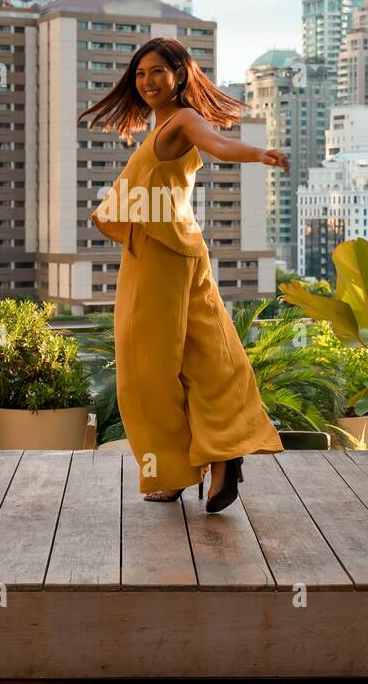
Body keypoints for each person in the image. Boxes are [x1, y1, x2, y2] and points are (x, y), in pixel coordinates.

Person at [80, 36, 290, 514]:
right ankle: (220, 455)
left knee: (145, 371)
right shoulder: (157, 128)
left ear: (179, 74)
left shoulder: (182, 120)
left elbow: (217, 143)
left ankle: (178, 469)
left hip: (166, 256)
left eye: (157, 71)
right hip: (155, 254)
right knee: (204, 354)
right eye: (140, 73)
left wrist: (258, 154)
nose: (148, 81)